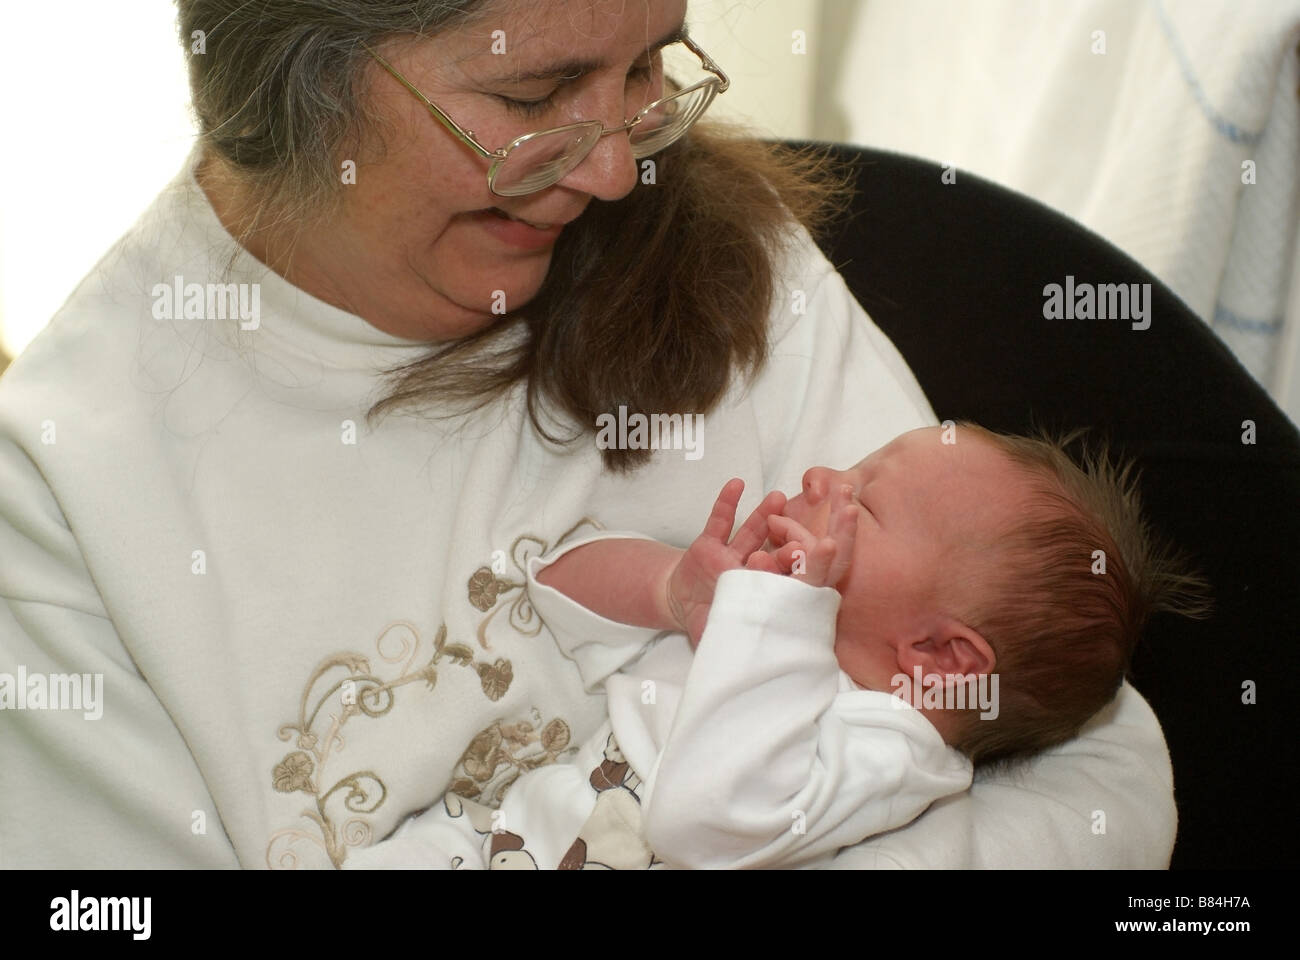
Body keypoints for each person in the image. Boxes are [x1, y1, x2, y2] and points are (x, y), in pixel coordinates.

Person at [0, 0, 1177, 869]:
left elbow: (1092, 767)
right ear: (294, 83)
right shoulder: (66, 493)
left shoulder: (728, 260)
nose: (617, 167)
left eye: (649, 66)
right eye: (529, 99)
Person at [342, 422, 1209, 869]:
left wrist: (777, 619)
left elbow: (702, 818)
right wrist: (671, 590)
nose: (829, 478)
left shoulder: (891, 751)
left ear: (940, 661)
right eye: (854, 465)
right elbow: (557, 595)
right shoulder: (753, 615)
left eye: (865, 502)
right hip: (476, 846)